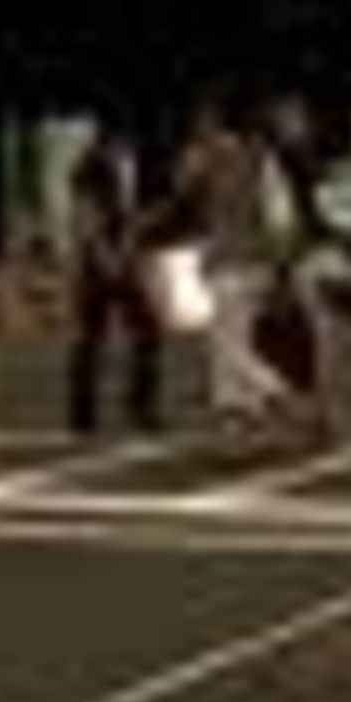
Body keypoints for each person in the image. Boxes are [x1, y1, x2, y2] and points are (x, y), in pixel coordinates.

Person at [181, 97, 312, 443]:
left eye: (205, 122)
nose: (199, 129)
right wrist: (280, 264)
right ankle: (240, 419)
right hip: (250, 263)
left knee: (229, 348)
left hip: (234, 264)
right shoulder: (255, 160)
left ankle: (282, 397)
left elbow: (279, 220)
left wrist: (281, 264)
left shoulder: (222, 159)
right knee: (231, 343)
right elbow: (282, 219)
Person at [61, 121, 167, 441]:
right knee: (90, 336)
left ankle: (141, 407)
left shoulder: (136, 165)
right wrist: (106, 256)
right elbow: (85, 216)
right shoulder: (88, 168)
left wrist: (131, 248)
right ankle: (82, 413)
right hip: (96, 261)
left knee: (148, 330)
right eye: (120, 146)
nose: (125, 151)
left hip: (127, 257)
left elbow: (141, 213)